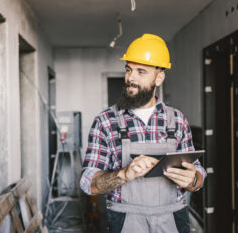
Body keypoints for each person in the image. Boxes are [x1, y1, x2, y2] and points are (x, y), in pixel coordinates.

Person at [80, 34, 207, 233]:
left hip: (172, 219)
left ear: (159, 77)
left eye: (141, 72)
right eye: (129, 70)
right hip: (127, 222)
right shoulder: (106, 121)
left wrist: (192, 180)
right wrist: (124, 174)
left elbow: (198, 175)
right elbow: (89, 183)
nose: (131, 78)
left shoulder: (177, 120)